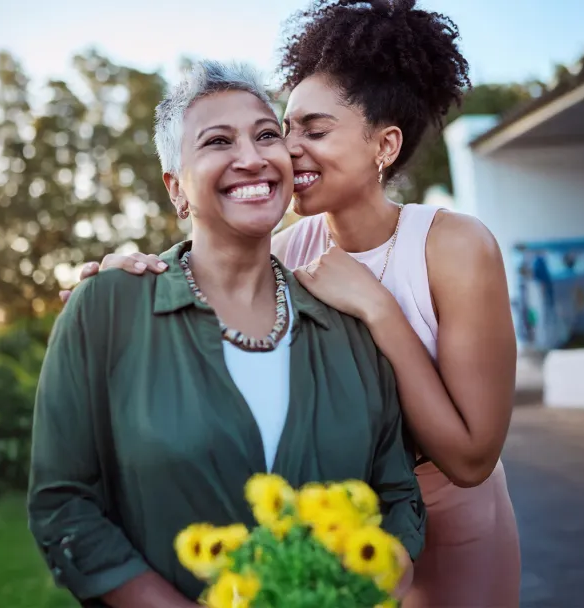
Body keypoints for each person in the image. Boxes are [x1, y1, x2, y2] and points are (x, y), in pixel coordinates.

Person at [60, 1, 521, 606]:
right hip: (338, 527)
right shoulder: (289, 249)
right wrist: (123, 277)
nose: (288, 149)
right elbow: (204, 267)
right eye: (286, 128)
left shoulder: (454, 247)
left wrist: (378, 310)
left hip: (457, 534)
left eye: (316, 130)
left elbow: (471, 457)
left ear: (384, 144)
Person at [28, 59, 425, 607]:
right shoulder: (109, 308)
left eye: (267, 135)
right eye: (218, 141)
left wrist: (364, 584)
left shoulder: (347, 322)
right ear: (176, 188)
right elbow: (63, 504)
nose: (251, 157)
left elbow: (399, 496)